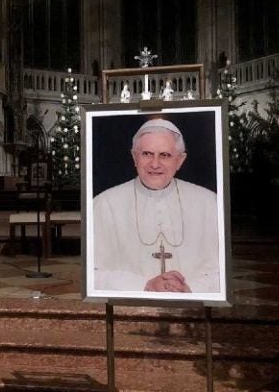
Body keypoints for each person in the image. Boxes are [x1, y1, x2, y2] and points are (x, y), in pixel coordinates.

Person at [93, 118, 219, 293]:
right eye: (146, 154)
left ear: (180, 160)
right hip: (130, 310)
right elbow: (92, 274)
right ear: (134, 157)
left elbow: (222, 272)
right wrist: (144, 286)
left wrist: (190, 289)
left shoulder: (209, 203)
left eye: (165, 155)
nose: (155, 164)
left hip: (192, 310)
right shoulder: (104, 204)